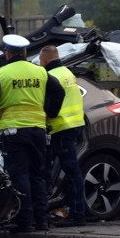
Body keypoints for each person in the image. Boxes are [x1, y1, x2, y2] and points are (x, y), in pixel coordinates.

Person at [0, 35, 65, 233]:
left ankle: (25, 222)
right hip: (38, 131)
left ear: (8, 53)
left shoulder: (2, 73)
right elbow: (59, 91)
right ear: (25, 53)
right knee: (39, 175)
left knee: (19, 176)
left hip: (13, 132)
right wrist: (50, 113)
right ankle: (42, 220)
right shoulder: (40, 72)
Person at [39, 45, 86, 227]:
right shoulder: (67, 72)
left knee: (70, 170)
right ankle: (73, 212)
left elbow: (49, 104)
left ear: (44, 61)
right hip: (74, 125)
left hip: (61, 127)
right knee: (70, 170)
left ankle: (77, 215)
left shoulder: (51, 76)